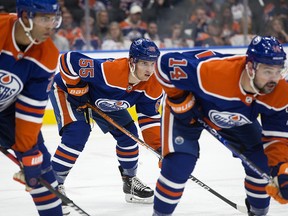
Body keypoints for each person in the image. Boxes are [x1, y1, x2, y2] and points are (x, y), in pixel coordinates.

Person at [153, 35, 288, 216]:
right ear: (250, 68)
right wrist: (180, 100)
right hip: (190, 110)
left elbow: (276, 137)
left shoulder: (280, 91)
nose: (273, 79)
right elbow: (163, 65)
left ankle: (258, 212)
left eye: (278, 71)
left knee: (261, 161)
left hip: (234, 116)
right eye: (267, 71)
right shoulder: (213, 72)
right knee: (179, 164)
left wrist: (281, 168)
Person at [49, 38, 162, 213]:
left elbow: (149, 118)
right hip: (67, 92)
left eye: (152, 63)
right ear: (132, 61)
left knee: (129, 135)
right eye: (145, 63)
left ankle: (130, 182)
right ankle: (52, 187)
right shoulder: (109, 71)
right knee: (78, 133)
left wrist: (160, 149)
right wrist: (77, 89)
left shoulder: (153, 85)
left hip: (106, 102)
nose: (149, 69)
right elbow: (68, 60)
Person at [0, 0, 63, 215]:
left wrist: (28, 153)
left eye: (53, 19)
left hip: (7, 110)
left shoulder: (47, 55)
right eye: (44, 18)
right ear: (25, 16)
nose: (51, 25)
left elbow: (30, 110)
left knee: (40, 166)